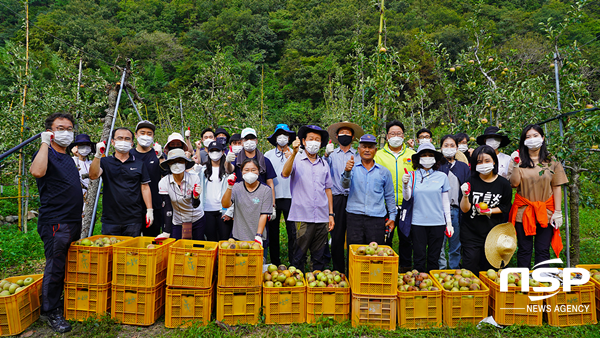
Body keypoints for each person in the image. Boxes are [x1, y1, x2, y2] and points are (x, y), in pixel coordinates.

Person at [30, 113, 82, 333]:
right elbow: (37, 171)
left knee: (67, 264)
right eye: (60, 128)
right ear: (50, 131)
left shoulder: (68, 158)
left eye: (69, 128)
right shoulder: (45, 153)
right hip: (56, 222)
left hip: (72, 220)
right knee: (55, 266)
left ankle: (62, 302)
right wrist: (43, 143)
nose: (66, 132)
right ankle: (51, 311)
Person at [509, 124, 568, 269]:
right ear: (523, 141)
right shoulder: (518, 160)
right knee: (524, 250)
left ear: (542, 138)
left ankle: (542, 283)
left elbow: (556, 186)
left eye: (535, 135)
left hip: (546, 212)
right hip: (524, 212)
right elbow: (514, 184)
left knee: (543, 250)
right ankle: (524, 284)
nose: (532, 139)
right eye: (528, 137)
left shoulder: (551, 160)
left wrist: (558, 212)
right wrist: (516, 165)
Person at [282, 125, 335, 272]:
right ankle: (297, 286)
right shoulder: (296, 159)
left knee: (319, 256)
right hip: (302, 217)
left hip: (322, 217)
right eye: (311, 139)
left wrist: (331, 214)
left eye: (317, 140)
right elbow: (285, 173)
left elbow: (328, 189)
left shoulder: (324, 164)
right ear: (304, 141)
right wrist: (293, 153)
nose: (314, 142)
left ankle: (315, 287)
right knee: (299, 255)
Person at [89, 127, 154, 236]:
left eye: (127, 139)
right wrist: (98, 155)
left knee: (130, 251)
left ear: (132, 143)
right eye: (120, 138)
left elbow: (145, 187)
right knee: (109, 250)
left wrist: (149, 210)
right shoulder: (105, 162)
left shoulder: (139, 163)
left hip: (133, 218)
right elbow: (93, 175)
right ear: (113, 142)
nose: (123, 141)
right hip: (110, 219)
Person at [459, 146, 513, 272]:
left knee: (491, 268)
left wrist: (490, 211)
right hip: (471, 232)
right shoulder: (470, 181)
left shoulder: (503, 184)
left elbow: (505, 207)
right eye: (479, 162)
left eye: (487, 161)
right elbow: (465, 209)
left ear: (494, 161)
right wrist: (466, 195)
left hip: (494, 233)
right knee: (471, 265)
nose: (483, 164)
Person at [402, 143, 453, 273]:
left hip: (437, 222)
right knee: (419, 257)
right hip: (417, 222)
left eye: (430, 155)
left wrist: (449, 223)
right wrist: (405, 184)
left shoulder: (441, 176)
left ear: (435, 158)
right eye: (424, 155)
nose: (427, 158)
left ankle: (432, 287)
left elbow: (445, 202)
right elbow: (407, 198)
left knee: (433, 258)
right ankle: (419, 285)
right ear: (418, 159)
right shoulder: (412, 176)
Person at [373, 120, 415, 272]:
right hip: (384, 204)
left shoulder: (412, 155)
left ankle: (405, 270)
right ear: (387, 136)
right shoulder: (378, 155)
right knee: (385, 238)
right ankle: (385, 269)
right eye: (392, 133)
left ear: (404, 136)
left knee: (406, 239)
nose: (396, 136)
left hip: (407, 204)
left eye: (399, 133)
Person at [323, 121, 364, 273]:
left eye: (348, 133)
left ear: (353, 137)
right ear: (336, 136)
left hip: (354, 196)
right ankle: (338, 270)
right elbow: (324, 169)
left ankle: (353, 270)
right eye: (342, 133)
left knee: (354, 235)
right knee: (337, 236)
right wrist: (326, 154)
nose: (345, 136)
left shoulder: (358, 155)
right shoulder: (332, 155)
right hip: (337, 197)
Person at [342, 134, 396, 246]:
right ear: (359, 149)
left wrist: (392, 217)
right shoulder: (352, 169)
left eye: (370, 147)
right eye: (364, 147)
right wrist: (347, 171)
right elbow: (344, 185)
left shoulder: (384, 172)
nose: (367, 150)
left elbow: (389, 196)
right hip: (354, 216)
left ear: (375, 150)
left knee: (375, 253)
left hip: (376, 218)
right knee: (355, 251)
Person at [264, 124, 297, 266]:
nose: (282, 137)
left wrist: (293, 156)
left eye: (285, 134)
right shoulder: (268, 155)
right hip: (274, 198)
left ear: (289, 137)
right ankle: (275, 262)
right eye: (279, 134)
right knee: (273, 232)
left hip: (291, 197)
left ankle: (294, 262)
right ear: (275, 137)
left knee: (292, 232)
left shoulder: (297, 154)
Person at [437, 135, 471, 269]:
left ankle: (454, 270)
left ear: (457, 148)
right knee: (439, 243)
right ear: (441, 148)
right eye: (446, 145)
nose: (449, 148)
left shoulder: (463, 167)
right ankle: (440, 270)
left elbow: (468, 186)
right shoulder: (437, 165)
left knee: (455, 244)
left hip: (457, 210)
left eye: (452, 145)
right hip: (439, 210)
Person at [221, 158, 271, 244]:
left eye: (253, 170)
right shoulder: (236, 187)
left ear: (258, 172)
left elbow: (264, 214)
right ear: (241, 172)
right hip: (238, 237)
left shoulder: (266, 190)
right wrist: (229, 186)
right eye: (246, 170)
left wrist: (258, 235)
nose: (250, 173)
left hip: (258, 237)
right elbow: (225, 205)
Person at [157, 149, 204, 240]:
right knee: (178, 248)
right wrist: (166, 231)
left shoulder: (194, 178)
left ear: (185, 163)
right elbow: (167, 207)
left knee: (198, 246)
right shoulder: (164, 182)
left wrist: (196, 196)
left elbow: (195, 204)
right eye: (173, 162)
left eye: (180, 161)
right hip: (178, 220)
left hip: (196, 218)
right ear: (169, 165)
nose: (177, 164)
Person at [131, 120, 163, 237]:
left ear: (153, 136)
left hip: (155, 205)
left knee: (151, 240)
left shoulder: (157, 154)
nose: (145, 136)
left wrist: (161, 157)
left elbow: (166, 174)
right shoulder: (129, 155)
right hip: (133, 206)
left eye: (149, 134)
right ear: (136, 135)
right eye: (142, 132)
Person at [230, 128, 276, 208]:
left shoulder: (265, 161)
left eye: (252, 139)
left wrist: (272, 205)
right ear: (242, 142)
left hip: (261, 201)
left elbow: (270, 183)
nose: (249, 141)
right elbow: (229, 169)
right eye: (246, 139)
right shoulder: (237, 161)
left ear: (256, 141)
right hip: (241, 202)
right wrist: (227, 161)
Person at [197, 141, 234, 241]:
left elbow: (233, 192)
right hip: (207, 210)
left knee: (224, 240)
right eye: (212, 151)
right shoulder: (202, 170)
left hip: (223, 211)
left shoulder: (227, 171)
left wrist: (230, 211)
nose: (214, 153)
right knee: (210, 240)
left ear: (222, 152)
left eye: (217, 150)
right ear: (208, 152)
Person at [68, 133, 95, 212]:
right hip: (76, 198)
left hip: (91, 198)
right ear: (76, 147)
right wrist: (76, 156)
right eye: (81, 144)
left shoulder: (92, 163)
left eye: (87, 145)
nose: (85, 147)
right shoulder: (71, 161)